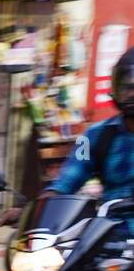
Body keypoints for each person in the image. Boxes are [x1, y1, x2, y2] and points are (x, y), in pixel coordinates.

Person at [48, 47, 134, 203]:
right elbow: (65, 181)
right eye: (126, 88)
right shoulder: (92, 136)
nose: (131, 94)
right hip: (109, 225)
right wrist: (35, 209)